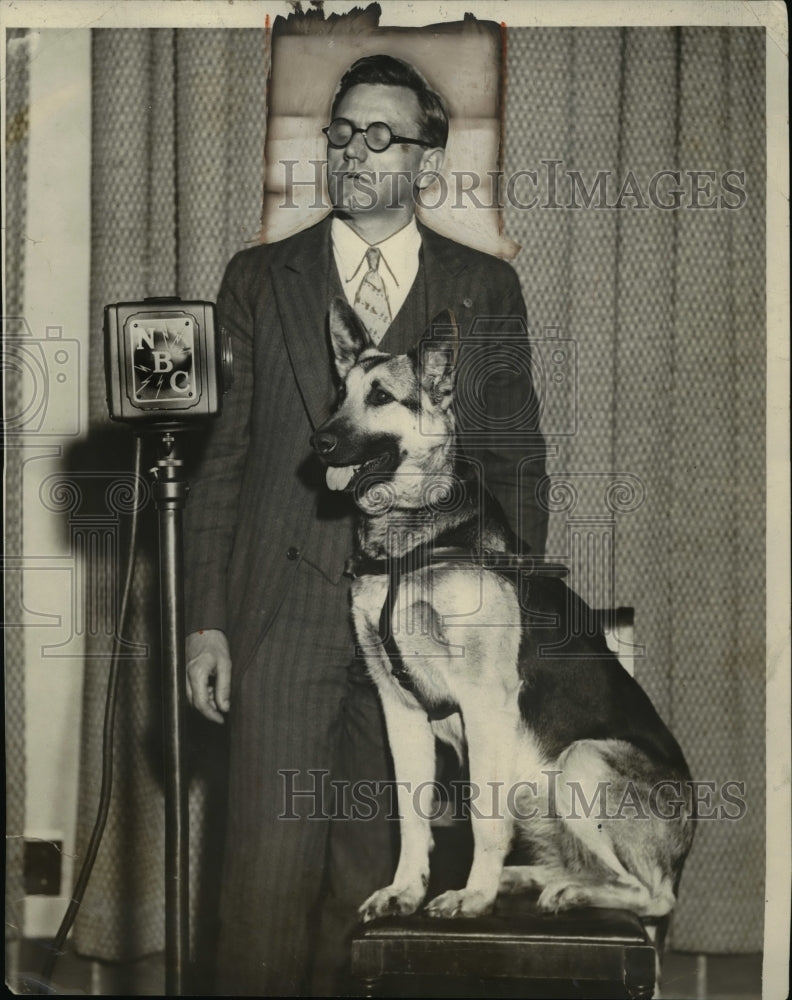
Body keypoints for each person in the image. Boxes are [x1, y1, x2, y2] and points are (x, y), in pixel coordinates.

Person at [183, 53, 548, 996]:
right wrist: (208, 621)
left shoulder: (485, 289)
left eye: (380, 135)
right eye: (341, 133)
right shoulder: (261, 280)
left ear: (428, 162)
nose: (352, 151)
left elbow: (516, 464)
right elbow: (221, 461)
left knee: (385, 894)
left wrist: (503, 610)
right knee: (262, 883)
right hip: (285, 618)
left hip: (430, 638)